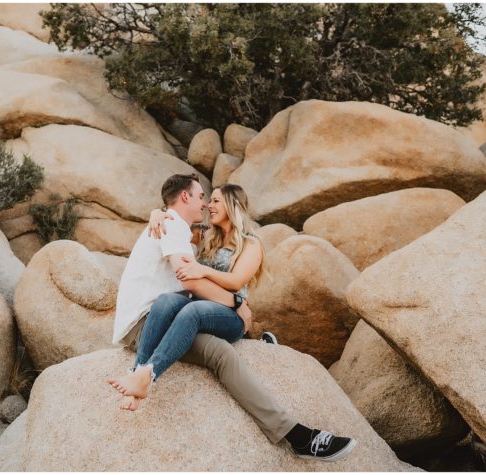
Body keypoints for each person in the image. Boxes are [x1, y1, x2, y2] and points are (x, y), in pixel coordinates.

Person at [107, 175, 356, 461]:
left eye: (214, 200)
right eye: (203, 197)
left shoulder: (247, 242)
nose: (206, 205)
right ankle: (142, 375)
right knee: (182, 311)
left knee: (195, 318)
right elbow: (187, 273)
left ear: (231, 205)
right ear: (186, 197)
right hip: (175, 316)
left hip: (209, 315)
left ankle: (144, 375)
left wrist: (228, 294)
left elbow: (232, 280)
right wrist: (158, 212)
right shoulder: (193, 233)